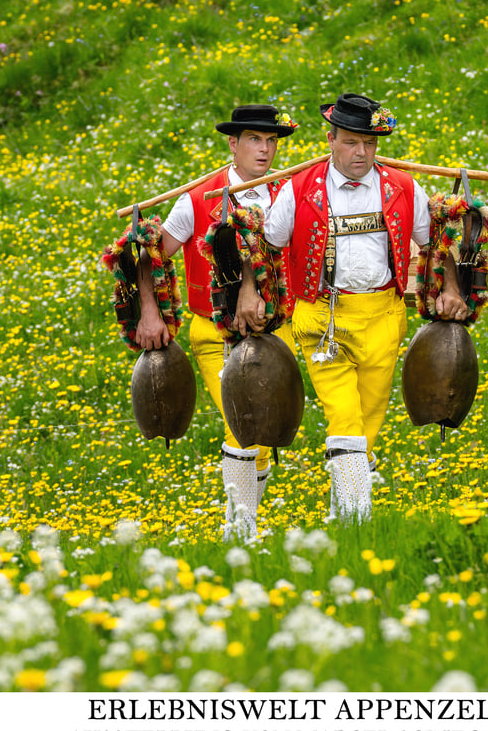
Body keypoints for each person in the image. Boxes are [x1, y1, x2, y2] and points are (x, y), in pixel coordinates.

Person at [236, 92, 467, 522]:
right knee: (344, 417)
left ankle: (342, 518)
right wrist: (250, 290)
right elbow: (262, 243)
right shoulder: (299, 189)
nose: (361, 153)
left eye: (370, 143)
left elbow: (435, 241)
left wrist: (449, 286)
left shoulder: (402, 187)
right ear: (330, 139)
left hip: (384, 318)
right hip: (321, 319)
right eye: (350, 142)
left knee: (367, 425)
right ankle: (359, 518)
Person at [135, 103, 298, 540]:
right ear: (232, 144)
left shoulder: (286, 192)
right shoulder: (196, 199)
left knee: (263, 432)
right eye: (254, 140)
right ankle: (241, 531)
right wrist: (150, 311)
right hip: (215, 333)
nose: (264, 150)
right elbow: (152, 254)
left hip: (275, 333)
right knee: (242, 423)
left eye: (271, 141)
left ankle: (241, 528)